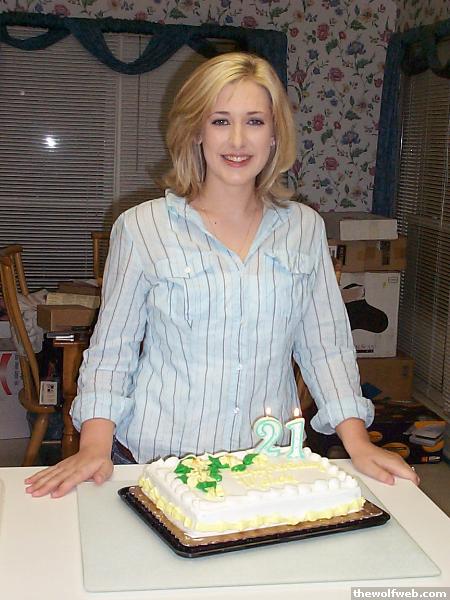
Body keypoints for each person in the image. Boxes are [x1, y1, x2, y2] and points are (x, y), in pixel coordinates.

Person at [25, 52, 419, 498]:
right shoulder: (141, 227)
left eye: (254, 121)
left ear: (275, 134)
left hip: (264, 466)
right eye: (220, 121)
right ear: (196, 130)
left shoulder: (304, 228)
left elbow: (325, 346)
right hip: (155, 463)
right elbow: (113, 350)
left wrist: (358, 443)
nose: (237, 139)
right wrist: (94, 446)